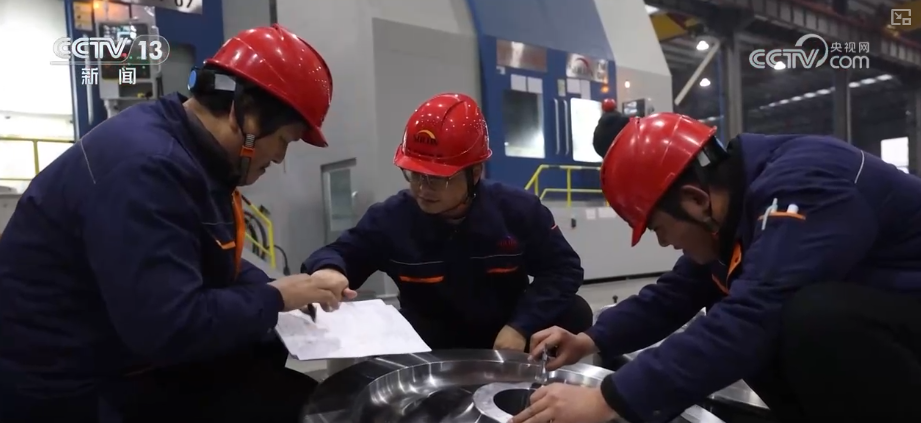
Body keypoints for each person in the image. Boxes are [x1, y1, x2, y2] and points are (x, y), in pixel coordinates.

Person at [0, 24, 355, 423]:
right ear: (247, 116)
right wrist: (275, 298)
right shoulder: (147, 169)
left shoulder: (188, 155)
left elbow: (205, 255)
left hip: (115, 354)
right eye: (285, 141)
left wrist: (290, 290)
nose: (278, 158)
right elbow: (169, 328)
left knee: (277, 374)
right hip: (67, 389)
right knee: (293, 405)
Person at [510, 110, 921, 423]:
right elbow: (679, 291)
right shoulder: (737, 205)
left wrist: (606, 400)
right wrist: (589, 339)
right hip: (889, 324)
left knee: (806, 317)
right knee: (736, 308)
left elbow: (753, 315)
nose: (664, 242)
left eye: (658, 228)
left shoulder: (806, 183)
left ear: (695, 200)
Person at [302, 93, 593, 352]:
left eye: (437, 179)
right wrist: (330, 269)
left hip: (504, 334)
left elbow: (563, 269)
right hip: (429, 340)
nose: (422, 188)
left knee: (576, 311)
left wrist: (521, 326)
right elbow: (343, 251)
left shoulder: (518, 210)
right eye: (414, 174)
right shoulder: (390, 218)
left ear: (474, 173)